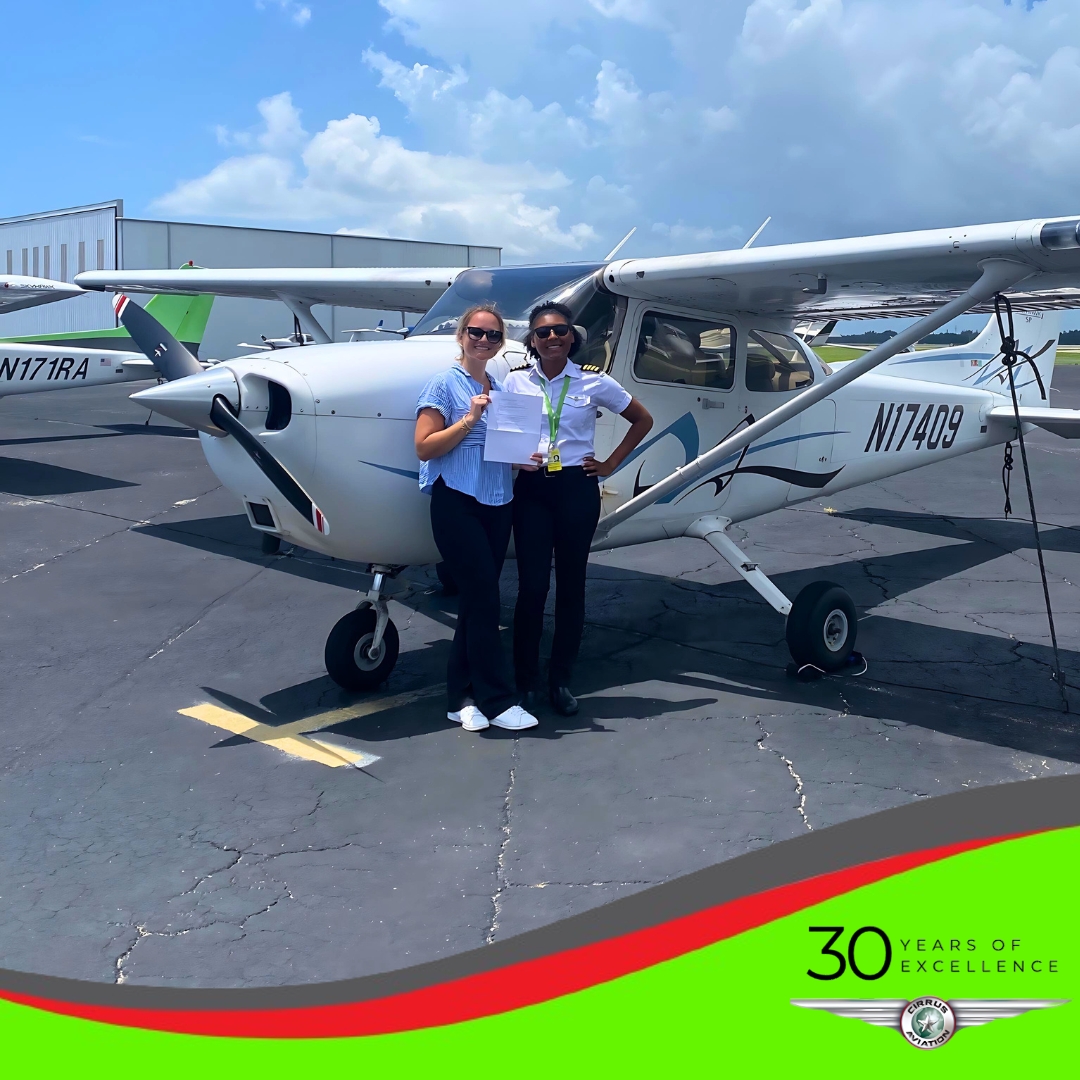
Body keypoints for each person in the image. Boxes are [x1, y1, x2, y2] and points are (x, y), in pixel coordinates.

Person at [503, 301, 653, 716]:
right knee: (532, 588)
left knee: (572, 587)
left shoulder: (594, 383)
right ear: (532, 341)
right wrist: (514, 458)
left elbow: (642, 419)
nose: (552, 337)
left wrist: (609, 465)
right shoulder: (515, 383)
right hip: (532, 489)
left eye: (560, 330)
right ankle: (526, 681)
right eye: (543, 332)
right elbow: (498, 431)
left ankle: (561, 679)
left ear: (573, 337)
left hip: (575, 488)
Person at [415, 304, 539, 733]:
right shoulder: (445, 383)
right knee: (485, 600)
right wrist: (469, 419)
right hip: (458, 501)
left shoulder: (501, 387)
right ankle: (499, 699)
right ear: (461, 336)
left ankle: (461, 698)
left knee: (476, 603)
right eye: (475, 332)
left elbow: (501, 449)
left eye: (491, 336)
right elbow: (425, 447)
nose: (483, 340)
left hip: (497, 500)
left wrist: (523, 461)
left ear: (500, 342)